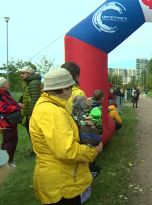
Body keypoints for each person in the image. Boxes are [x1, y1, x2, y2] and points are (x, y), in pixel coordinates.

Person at [29, 68, 102, 205]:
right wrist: (93, 151)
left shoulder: (51, 106)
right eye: (71, 88)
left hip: (61, 178)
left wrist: (85, 129)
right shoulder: (52, 112)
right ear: (63, 89)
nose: (72, 92)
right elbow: (67, 151)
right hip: (61, 183)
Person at [0, 77, 23, 167]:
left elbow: (12, 103)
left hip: (11, 120)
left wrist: (17, 104)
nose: (8, 83)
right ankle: (7, 162)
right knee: (10, 140)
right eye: (5, 82)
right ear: (0, 84)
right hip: (4, 121)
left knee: (11, 139)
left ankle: (6, 160)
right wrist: (17, 107)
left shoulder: (5, 93)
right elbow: (2, 108)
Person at [19, 66, 42, 157]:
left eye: (23, 73)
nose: (21, 75)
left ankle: (37, 150)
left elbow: (35, 98)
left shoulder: (33, 83)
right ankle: (36, 149)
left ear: (30, 74)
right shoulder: (30, 82)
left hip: (33, 112)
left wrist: (30, 114)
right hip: (31, 110)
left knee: (33, 130)